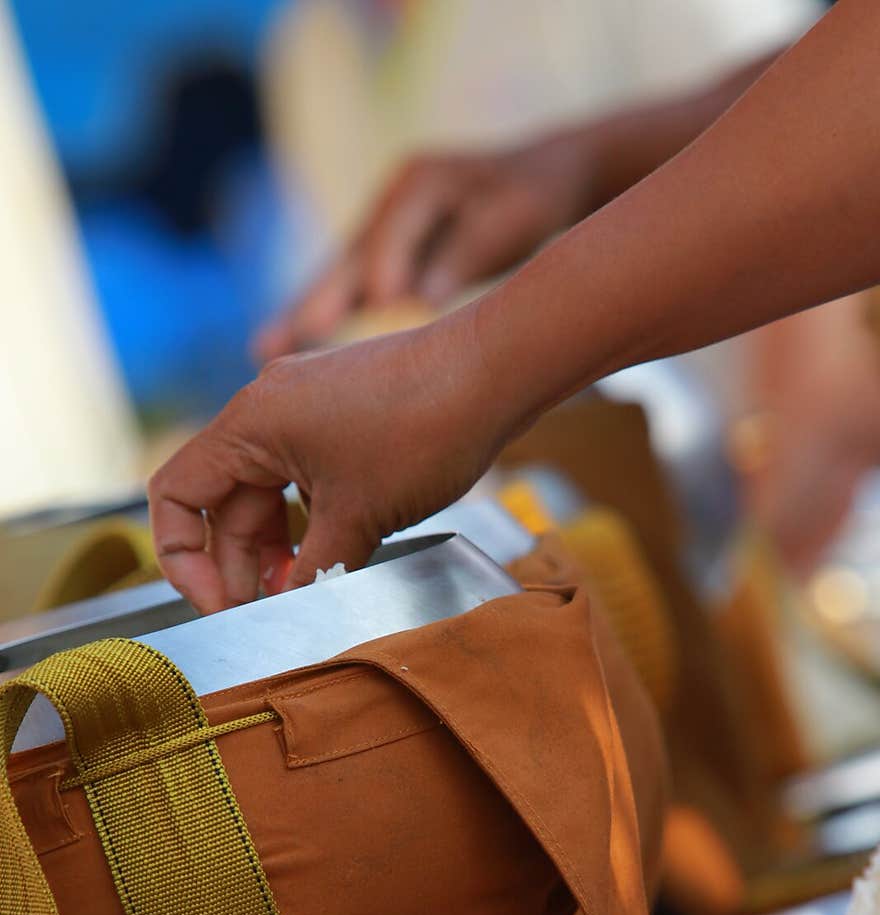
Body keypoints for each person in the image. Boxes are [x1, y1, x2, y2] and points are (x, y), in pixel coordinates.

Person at [149, 0, 878, 615]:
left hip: (813, 564)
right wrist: (576, 164)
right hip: (606, 590)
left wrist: (463, 371)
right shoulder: (308, 48)